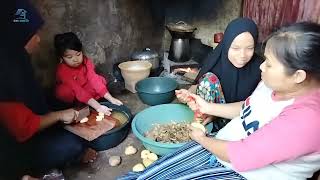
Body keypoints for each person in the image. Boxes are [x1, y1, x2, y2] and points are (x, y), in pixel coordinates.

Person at [118, 22, 320, 180]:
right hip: (220, 147)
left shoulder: (308, 121)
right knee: (146, 176)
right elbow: (249, 107)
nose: (261, 67)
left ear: (298, 75)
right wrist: (207, 107)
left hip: (241, 172)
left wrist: (201, 139)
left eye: (269, 64)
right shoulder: (277, 83)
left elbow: (243, 155)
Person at [0, 0, 104, 179]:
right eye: (33, 34)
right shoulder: (7, 73)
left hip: (32, 125)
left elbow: (36, 104)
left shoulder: (17, 61)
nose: (39, 39)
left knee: (63, 110)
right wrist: (59, 116)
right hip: (15, 149)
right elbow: (21, 128)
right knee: (74, 144)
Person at [176, 17, 263, 130]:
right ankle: (208, 126)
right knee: (208, 80)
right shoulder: (216, 61)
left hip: (245, 122)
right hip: (213, 117)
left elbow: (257, 106)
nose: (242, 55)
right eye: (236, 48)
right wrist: (186, 95)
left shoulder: (261, 68)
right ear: (226, 45)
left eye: (249, 48)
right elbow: (196, 87)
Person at [54, 32, 122, 116]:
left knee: (100, 80)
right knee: (64, 92)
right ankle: (77, 105)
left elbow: (93, 79)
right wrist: (98, 107)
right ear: (61, 58)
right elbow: (77, 90)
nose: (75, 59)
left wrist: (111, 99)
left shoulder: (86, 62)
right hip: (73, 93)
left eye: (78, 54)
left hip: (84, 88)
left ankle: (87, 101)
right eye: (69, 57)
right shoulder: (63, 71)